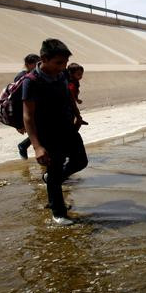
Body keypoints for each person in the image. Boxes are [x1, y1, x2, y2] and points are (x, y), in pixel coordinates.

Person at [22, 38, 88, 226]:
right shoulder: (31, 81)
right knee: (55, 167)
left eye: (65, 63)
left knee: (80, 161)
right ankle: (58, 212)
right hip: (47, 132)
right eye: (59, 63)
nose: (63, 67)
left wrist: (77, 116)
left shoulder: (61, 76)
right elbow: (28, 116)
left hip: (67, 127)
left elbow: (69, 97)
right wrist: (37, 147)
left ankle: (52, 179)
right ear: (44, 59)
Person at [15, 53, 40, 159]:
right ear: (28, 64)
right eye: (36, 63)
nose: (39, 65)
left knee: (41, 131)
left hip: (35, 110)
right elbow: (15, 100)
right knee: (39, 131)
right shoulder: (22, 77)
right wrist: (18, 123)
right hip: (27, 111)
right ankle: (24, 145)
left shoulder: (36, 75)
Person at [66, 63, 88, 130]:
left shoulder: (76, 82)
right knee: (76, 118)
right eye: (78, 74)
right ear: (71, 74)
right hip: (68, 105)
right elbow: (70, 96)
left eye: (81, 74)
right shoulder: (71, 84)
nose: (81, 76)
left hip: (71, 104)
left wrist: (77, 99)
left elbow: (74, 94)